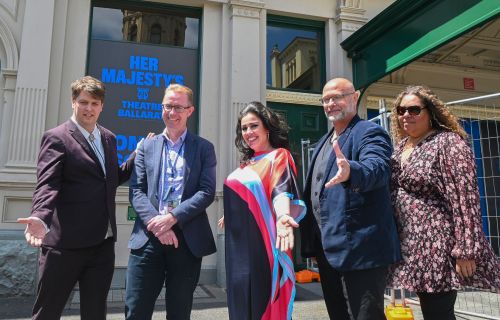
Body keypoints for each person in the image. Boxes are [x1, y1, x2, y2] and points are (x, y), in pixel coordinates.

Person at [17, 75, 137, 320]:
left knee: (95, 314)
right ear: (73, 102)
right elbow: (47, 184)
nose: (89, 109)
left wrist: (139, 153)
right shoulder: (57, 137)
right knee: (47, 313)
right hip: (65, 246)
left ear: (102, 106)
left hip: (102, 244)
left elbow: (110, 178)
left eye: (94, 103)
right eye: (83, 102)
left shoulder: (108, 138)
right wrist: (40, 216)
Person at [388, 85, 500, 320]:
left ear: (431, 113)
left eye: (414, 110)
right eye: (401, 110)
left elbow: (465, 198)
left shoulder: (448, 143)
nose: (406, 115)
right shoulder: (400, 148)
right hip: (410, 246)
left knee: (438, 313)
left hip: (437, 245)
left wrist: (466, 249)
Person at [299, 77, 401, 320]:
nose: (331, 103)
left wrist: (352, 171)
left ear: (354, 97)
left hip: (360, 249)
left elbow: (377, 168)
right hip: (328, 251)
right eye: (326, 99)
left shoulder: (369, 132)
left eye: (338, 96)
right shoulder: (325, 140)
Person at [125, 84, 217, 320]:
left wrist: (172, 218)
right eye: (168, 106)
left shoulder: (204, 148)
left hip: (186, 241)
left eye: (178, 107)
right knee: (136, 311)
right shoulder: (146, 146)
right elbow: (136, 190)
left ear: (190, 111)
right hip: (148, 238)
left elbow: (206, 191)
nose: (172, 112)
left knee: (179, 313)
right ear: (161, 108)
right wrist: (158, 223)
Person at [222, 101, 306, 320]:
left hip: (263, 246)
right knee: (240, 301)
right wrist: (234, 211)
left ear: (267, 128)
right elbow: (250, 194)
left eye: (254, 126)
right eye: (244, 128)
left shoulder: (279, 156)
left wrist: (284, 216)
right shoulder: (246, 164)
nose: (248, 132)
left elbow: (280, 190)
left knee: (261, 301)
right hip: (237, 248)